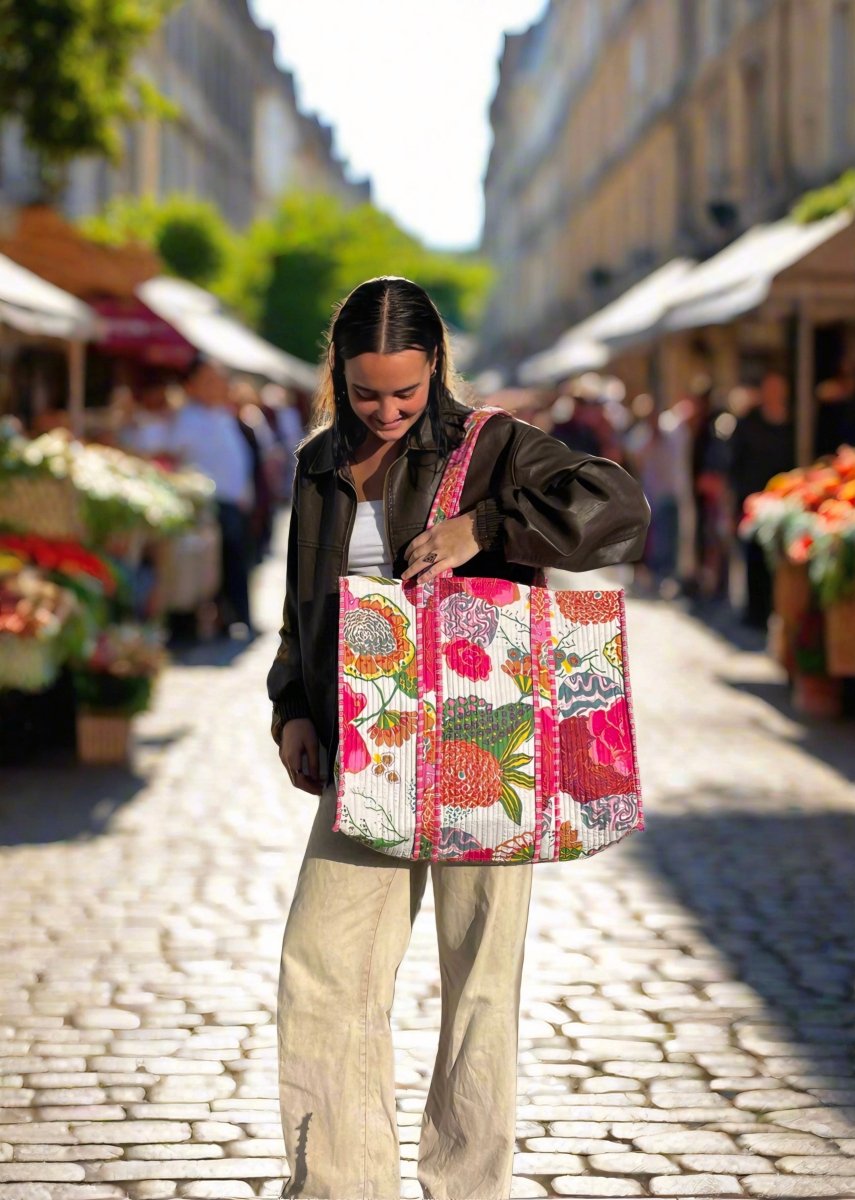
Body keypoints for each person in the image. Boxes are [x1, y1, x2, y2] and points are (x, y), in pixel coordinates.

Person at [265, 277, 650, 1200]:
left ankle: (467, 1186)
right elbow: (301, 613)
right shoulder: (318, 465)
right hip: (365, 748)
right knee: (321, 968)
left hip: (488, 736)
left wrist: (486, 525)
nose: (388, 410)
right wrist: (292, 708)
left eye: (406, 389)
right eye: (366, 392)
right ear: (338, 375)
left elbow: (619, 507)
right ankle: (342, 1186)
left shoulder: (498, 449)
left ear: (434, 365)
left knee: (479, 978)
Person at [166, 356, 256, 637]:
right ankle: (217, 619)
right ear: (191, 386)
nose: (217, 387)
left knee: (231, 563)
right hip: (207, 504)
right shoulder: (188, 419)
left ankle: (232, 617)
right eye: (209, 380)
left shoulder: (222, 415)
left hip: (230, 503)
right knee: (212, 568)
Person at [728, 369, 796, 627]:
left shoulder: (795, 421)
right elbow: (735, 464)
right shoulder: (749, 423)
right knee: (754, 557)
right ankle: (755, 613)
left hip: (785, 500)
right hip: (753, 500)